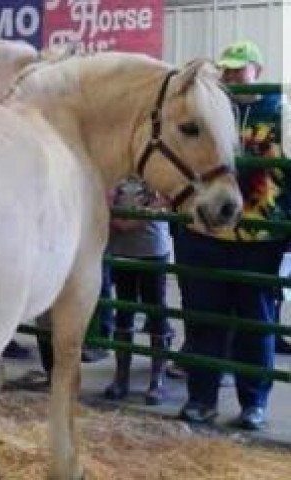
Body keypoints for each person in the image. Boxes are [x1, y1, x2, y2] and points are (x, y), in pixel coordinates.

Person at [175, 40, 289, 430]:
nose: (233, 76)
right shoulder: (207, 113)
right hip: (204, 233)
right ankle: (201, 398)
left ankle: (254, 403)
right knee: (203, 319)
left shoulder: (282, 113)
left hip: (260, 238)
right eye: (228, 70)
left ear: (258, 68)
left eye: (241, 69)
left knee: (255, 323)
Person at [103, 176, 172, 405]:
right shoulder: (119, 167)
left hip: (151, 247)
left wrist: (130, 221)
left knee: (156, 310)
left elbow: (167, 198)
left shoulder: (157, 166)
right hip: (122, 248)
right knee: (124, 309)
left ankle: (157, 378)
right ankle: (121, 376)